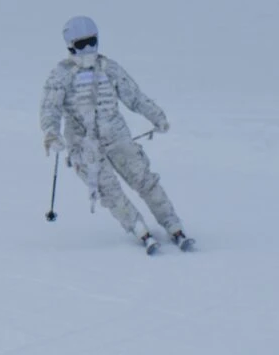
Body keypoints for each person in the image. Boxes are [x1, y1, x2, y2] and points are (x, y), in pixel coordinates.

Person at [40, 16, 194, 253]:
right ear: (71, 45)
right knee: (108, 190)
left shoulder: (108, 68)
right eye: (82, 45)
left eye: (92, 42)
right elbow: (50, 107)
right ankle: (138, 228)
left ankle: (172, 224)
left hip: (117, 136)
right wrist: (52, 134)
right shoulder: (62, 74)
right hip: (84, 144)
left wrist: (157, 116)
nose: (88, 49)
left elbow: (134, 96)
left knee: (144, 179)